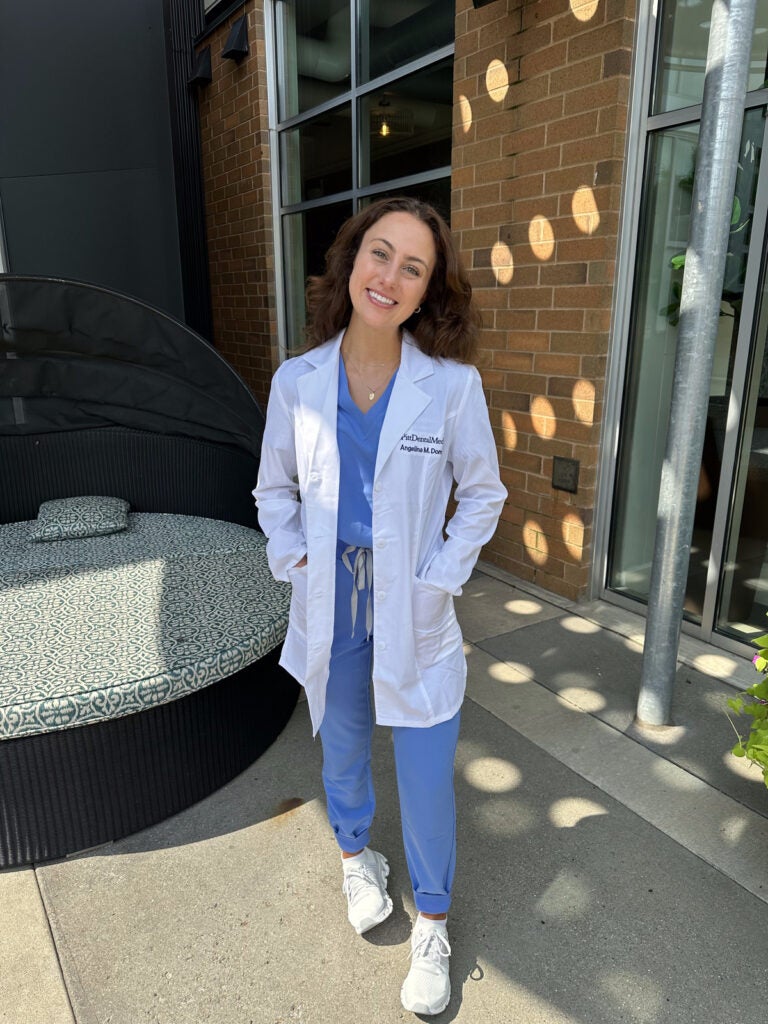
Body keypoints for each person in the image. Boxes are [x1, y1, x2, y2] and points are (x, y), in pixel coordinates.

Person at [253, 196, 506, 1016]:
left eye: (413, 266)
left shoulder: (452, 388)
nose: (389, 275)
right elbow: (273, 489)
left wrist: (438, 577)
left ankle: (433, 921)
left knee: (428, 771)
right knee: (343, 751)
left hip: (413, 603)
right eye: (379, 253)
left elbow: (483, 494)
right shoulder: (298, 381)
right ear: (351, 261)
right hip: (332, 595)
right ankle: (357, 858)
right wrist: (292, 557)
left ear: (428, 291)